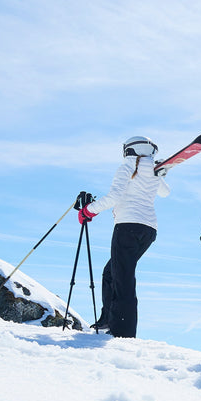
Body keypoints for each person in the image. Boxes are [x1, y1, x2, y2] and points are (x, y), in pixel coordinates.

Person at [79, 135, 169, 339]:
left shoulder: (128, 166)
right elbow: (165, 192)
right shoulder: (154, 170)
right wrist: (161, 174)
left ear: (129, 149)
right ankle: (108, 319)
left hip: (127, 227)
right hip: (148, 231)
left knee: (123, 279)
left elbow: (114, 197)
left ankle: (122, 332)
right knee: (111, 273)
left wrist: (88, 210)